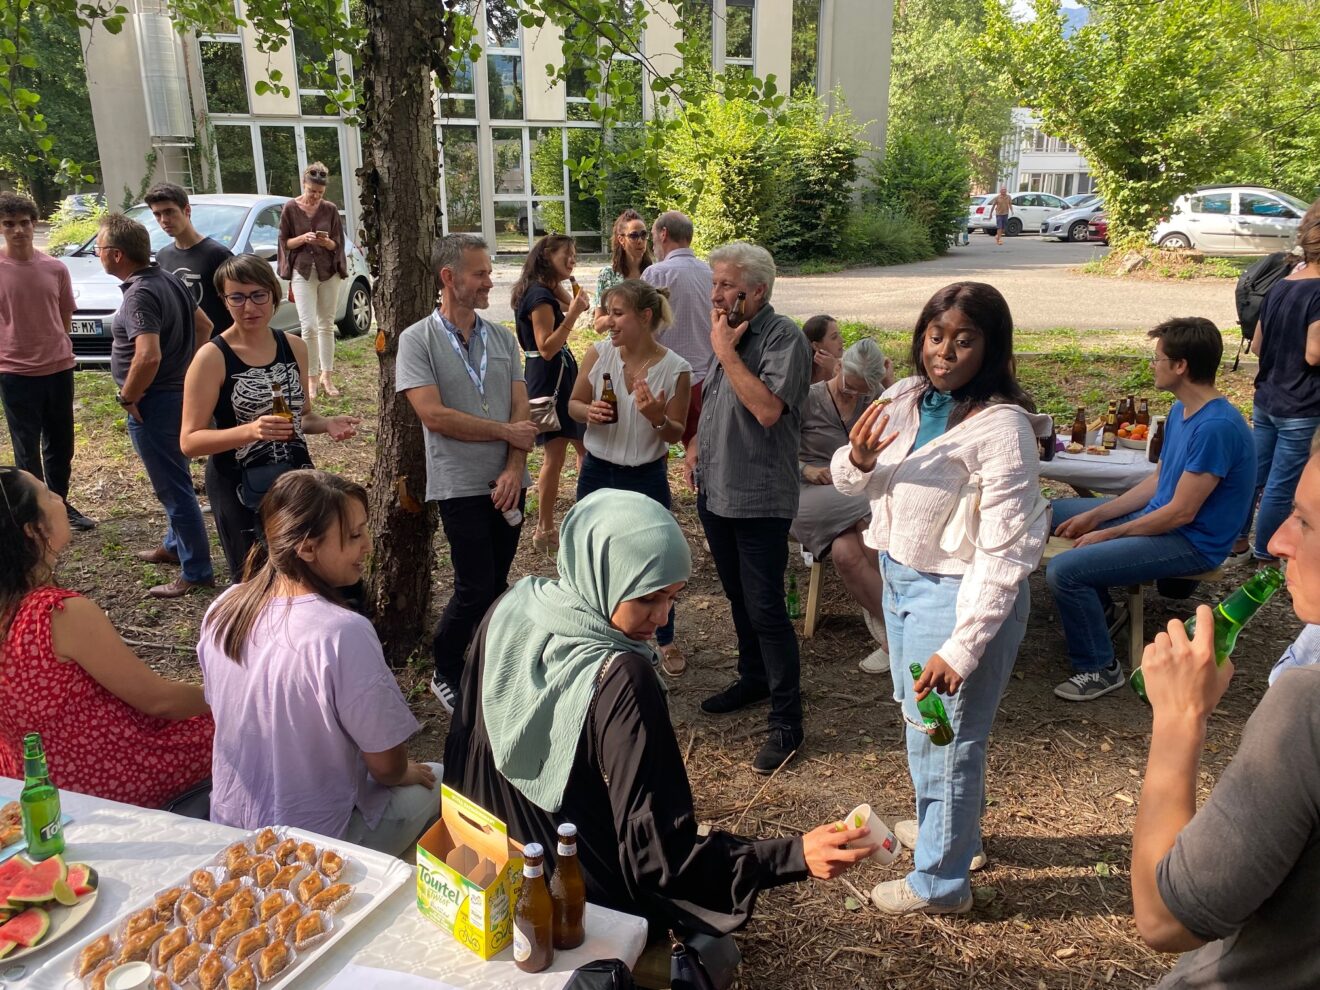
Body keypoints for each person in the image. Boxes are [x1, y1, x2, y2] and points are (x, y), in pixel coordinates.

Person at [443, 489, 876, 938]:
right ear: (604, 573)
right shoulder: (621, 676)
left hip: (481, 856)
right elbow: (659, 858)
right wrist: (793, 855)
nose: (662, 617)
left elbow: (462, 738)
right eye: (647, 597)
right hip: (568, 892)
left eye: (674, 597)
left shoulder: (514, 605)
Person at [832, 281, 1051, 915]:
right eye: (935, 337)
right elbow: (853, 482)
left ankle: (941, 882)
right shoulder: (905, 396)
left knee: (945, 737)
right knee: (923, 721)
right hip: (901, 582)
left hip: (956, 597)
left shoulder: (1002, 429)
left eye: (964, 341)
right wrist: (860, 455)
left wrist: (961, 646)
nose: (945, 354)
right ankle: (951, 835)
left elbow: (1007, 550)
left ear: (992, 348)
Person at [1130, 436, 1320, 988]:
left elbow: (1165, 920)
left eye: (1305, 524)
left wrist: (1178, 719)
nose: (1278, 541)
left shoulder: (1307, 705)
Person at [199, 470, 439, 855]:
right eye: (355, 535)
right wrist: (406, 772)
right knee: (438, 780)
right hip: (314, 844)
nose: (368, 547)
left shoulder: (223, 608)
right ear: (307, 549)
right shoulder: (342, 632)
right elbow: (388, 767)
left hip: (232, 829)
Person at [1049, 318, 1255, 701]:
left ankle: (1098, 667)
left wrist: (1106, 532)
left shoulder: (1217, 428)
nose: (1152, 365)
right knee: (1052, 513)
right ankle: (1105, 614)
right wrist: (1099, 513)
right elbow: (1158, 483)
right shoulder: (1180, 412)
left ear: (1181, 366)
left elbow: (1181, 513)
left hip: (1190, 540)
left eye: (1157, 358)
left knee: (1065, 571)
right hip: (1163, 521)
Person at [0, 467, 213, 809]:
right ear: (33, 530)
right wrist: (232, 692)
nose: (59, 498)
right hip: (104, 779)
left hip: (29, 781)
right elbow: (159, 702)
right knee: (233, 725)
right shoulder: (56, 613)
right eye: (49, 495)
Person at [396, 234, 534, 715]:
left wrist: (515, 467)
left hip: (509, 484)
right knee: (475, 586)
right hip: (459, 484)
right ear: (448, 278)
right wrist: (506, 432)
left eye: (488, 271)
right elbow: (434, 416)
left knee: (496, 586)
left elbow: (522, 411)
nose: (489, 281)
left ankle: (488, 668)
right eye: (480, 273)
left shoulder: (501, 337)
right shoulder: (417, 340)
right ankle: (446, 667)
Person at [694, 242, 812, 774]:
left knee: (766, 608)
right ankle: (754, 678)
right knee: (739, 597)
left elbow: (766, 410)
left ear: (756, 290)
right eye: (715, 283)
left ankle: (788, 720)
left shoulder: (781, 337)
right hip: (717, 491)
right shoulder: (729, 331)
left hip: (759, 498)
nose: (715, 294)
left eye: (724, 284)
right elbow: (720, 407)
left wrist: (725, 353)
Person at [180, 254, 361, 582]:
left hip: (294, 480)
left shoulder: (294, 346)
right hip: (238, 486)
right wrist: (251, 431)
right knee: (255, 582)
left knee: (304, 576)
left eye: (257, 295)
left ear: (274, 296)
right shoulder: (211, 357)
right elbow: (190, 441)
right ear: (223, 300)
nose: (248, 307)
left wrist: (326, 424)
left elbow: (300, 417)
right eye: (236, 297)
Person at [568, 279, 691, 675]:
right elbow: (571, 404)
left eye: (617, 314)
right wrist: (587, 412)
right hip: (597, 472)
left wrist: (657, 417)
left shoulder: (676, 369)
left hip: (646, 477)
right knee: (591, 555)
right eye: (606, 312)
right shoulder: (598, 355)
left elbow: (676, 432)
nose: (606, 321)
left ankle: (665, 641)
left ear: (645, 316)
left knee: (656, 562)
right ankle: (595, 637)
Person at [98, 212, 215, 599]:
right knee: (174, 475)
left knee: (173, 489)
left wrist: (128, 395)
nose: (98, 254)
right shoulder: (167, 278)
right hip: (175, 394)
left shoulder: (140, 294)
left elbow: (147, 355)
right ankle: (174, 545)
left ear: (115, 255)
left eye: (99, 248)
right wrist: (189, 372)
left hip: (155, 403)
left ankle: (196, 570)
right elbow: (204, 327)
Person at [791, 338, 892, 673]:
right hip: (810, 491)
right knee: (872, 507)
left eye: (863, 390)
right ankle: (906, 629)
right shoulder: (808, 398)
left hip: (855, 489)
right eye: (850, 387)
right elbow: (775, 451)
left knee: (846, 554)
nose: (854, 395)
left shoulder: (875, 398)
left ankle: (892, 640)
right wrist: (806, 468)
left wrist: (888, 388)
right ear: (837, 367)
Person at [0, 192, 95, 531]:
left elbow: (64, 315)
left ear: (34, 223)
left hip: (57, 367)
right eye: (9, 224)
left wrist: (57, 347)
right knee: (26, 449)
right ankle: (35, 513)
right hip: (15, 372)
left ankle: (60, 503)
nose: (19, 231)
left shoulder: (55, 268)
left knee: (61, 444)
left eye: (24, 223)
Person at [1233, 217, 1320, 564]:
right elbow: (1314, 352)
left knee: (1253, 477)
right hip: (1301, 404)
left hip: (1267, 397)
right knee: (1282, 487)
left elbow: (1256, 345)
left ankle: (1236, 540)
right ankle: (1265, 554)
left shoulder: (1283, 284)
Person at [513, 233, 592, 552]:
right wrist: (573, 315)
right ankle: (547, 528)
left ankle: (559, 525)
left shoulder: (544, 288)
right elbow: (546, 347)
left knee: (578, 450)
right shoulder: (539, 297)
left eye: (575, 255)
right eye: (567, 255)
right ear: (547, 256)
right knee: (561, 454)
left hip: (555, 377)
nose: (573, 260)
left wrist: (572, 292)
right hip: (550, 379)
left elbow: (570, 298)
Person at [643, 210, 714, 487]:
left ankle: (655, 497)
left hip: (666, 378)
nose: (652, 244)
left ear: (663, 234)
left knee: (653, 445)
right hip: (705, 379)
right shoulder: (710, 272)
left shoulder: (656, 273)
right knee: (702, 448)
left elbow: (642, 328)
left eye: (652, 237)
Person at [278, 162, 348, 400]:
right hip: (302, 271)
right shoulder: (290, 208)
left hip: (328, 271)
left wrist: (326, 242)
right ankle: (310, 378)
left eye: (319, 193)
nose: (316, 196)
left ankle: (327, 376)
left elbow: (338, 243)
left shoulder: (329, 209)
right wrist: (302, 238)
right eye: (312, 192)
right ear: (303, 185)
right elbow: (284, 242)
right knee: (308, 327)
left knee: (326, 324)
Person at [145, 182, 233, 338]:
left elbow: (235, 305)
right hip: (183, 349)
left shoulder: (218, 254)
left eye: (169, 212)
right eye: (157, 214)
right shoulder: (162, 257)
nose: (164, 220)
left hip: (218, 346)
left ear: (187, 210)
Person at [595, 208, 652, 302]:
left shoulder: (655, 273)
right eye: (633, 236)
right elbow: (599, 316)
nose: (640, 241)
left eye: (643, 235)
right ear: (621, 240)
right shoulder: (608, 275)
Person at [802, 314, 845, 385]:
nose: (841, 340)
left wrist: (836, 369)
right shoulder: (802, 374)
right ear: (816, 345)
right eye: (834, 337)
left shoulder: (849, 365)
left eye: (839, 334)